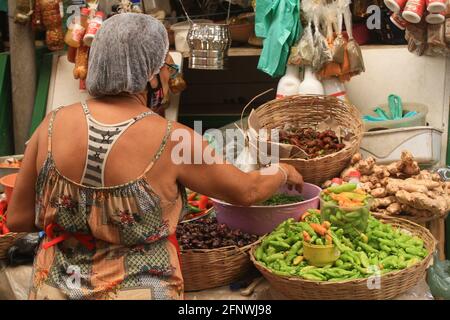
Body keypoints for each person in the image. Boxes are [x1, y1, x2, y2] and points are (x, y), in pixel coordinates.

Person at [7, 13, 303, 300]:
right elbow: (247, 191)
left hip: (55, 288)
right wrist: (282, 171)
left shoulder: (51, 124)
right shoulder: (173, 138)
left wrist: (77, 222)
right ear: (149, 74)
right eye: (165, 65)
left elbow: (18, 218)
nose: (167, 73)